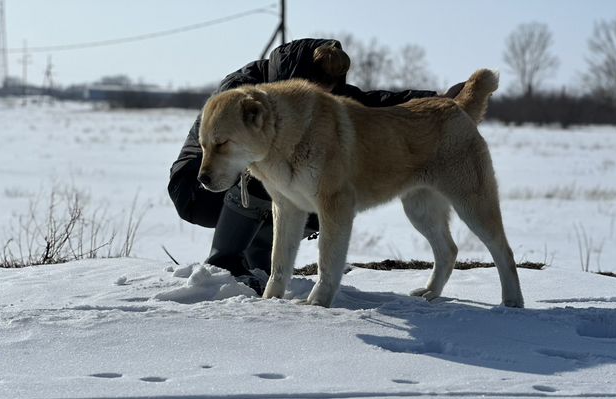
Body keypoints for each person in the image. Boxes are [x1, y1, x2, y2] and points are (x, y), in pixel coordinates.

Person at [168, 38, 463, 292]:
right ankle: (226, 264)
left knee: (314, 181)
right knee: (268, 172)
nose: (322, 99)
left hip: (254, 179)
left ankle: (261, 267)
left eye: (329, 93)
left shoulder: (319, 100)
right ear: (295, 80)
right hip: (198, 185)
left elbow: (373, 103)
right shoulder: (243, 91)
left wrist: (434, 100)